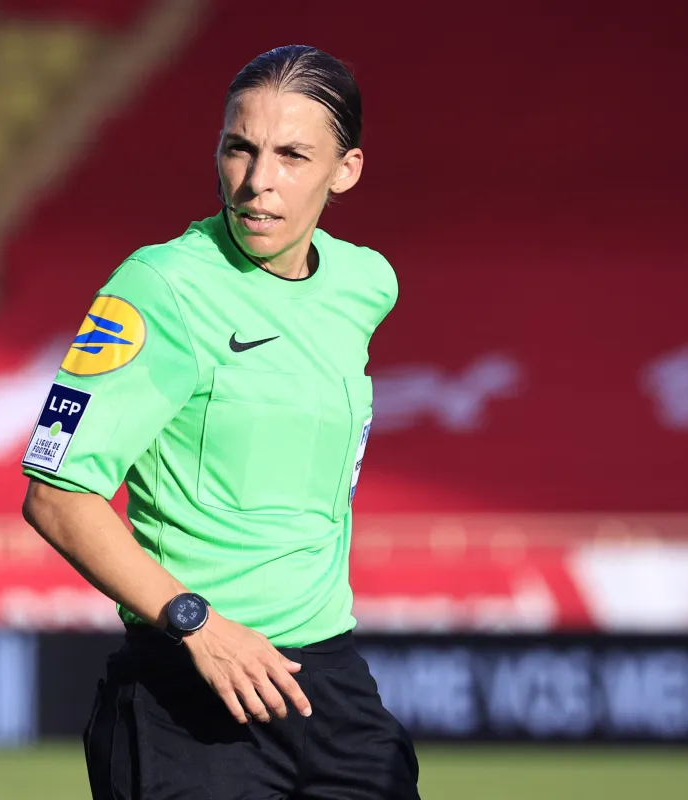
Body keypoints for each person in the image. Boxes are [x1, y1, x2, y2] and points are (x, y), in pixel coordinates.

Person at [21, 44, 419, 800]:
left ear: (347, 170)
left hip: (329, 689)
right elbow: (55, 493)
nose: (258, 181)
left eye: (293, 155)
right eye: (241, 147)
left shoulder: (367, 283)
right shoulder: (157, 288)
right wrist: (197, 623)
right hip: (189, 692)